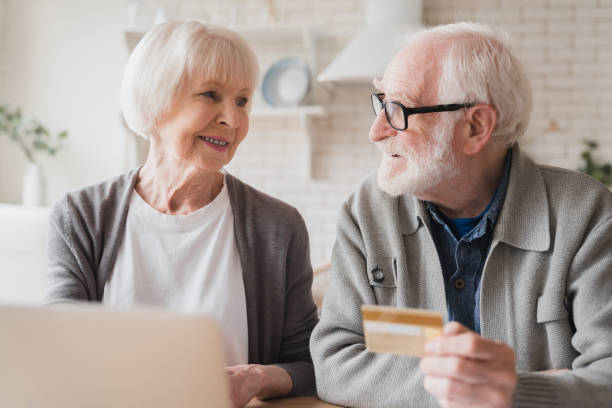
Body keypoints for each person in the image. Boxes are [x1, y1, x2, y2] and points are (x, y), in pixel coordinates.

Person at [310, 22, 612, 408]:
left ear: (475, 127)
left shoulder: (585, 213)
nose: (377, 130)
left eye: (399, 109)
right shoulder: (367, 211)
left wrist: (514, 392)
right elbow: (334, 364)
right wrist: (482, 390)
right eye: (381, 102)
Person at [45, 21, 318, 408]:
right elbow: (57, 348)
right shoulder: (81, 216)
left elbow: (310, 365)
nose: (233, 120)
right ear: (155, 101)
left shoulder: (278, 226)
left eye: (242, 100)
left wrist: (256, 377)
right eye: (211, 94)